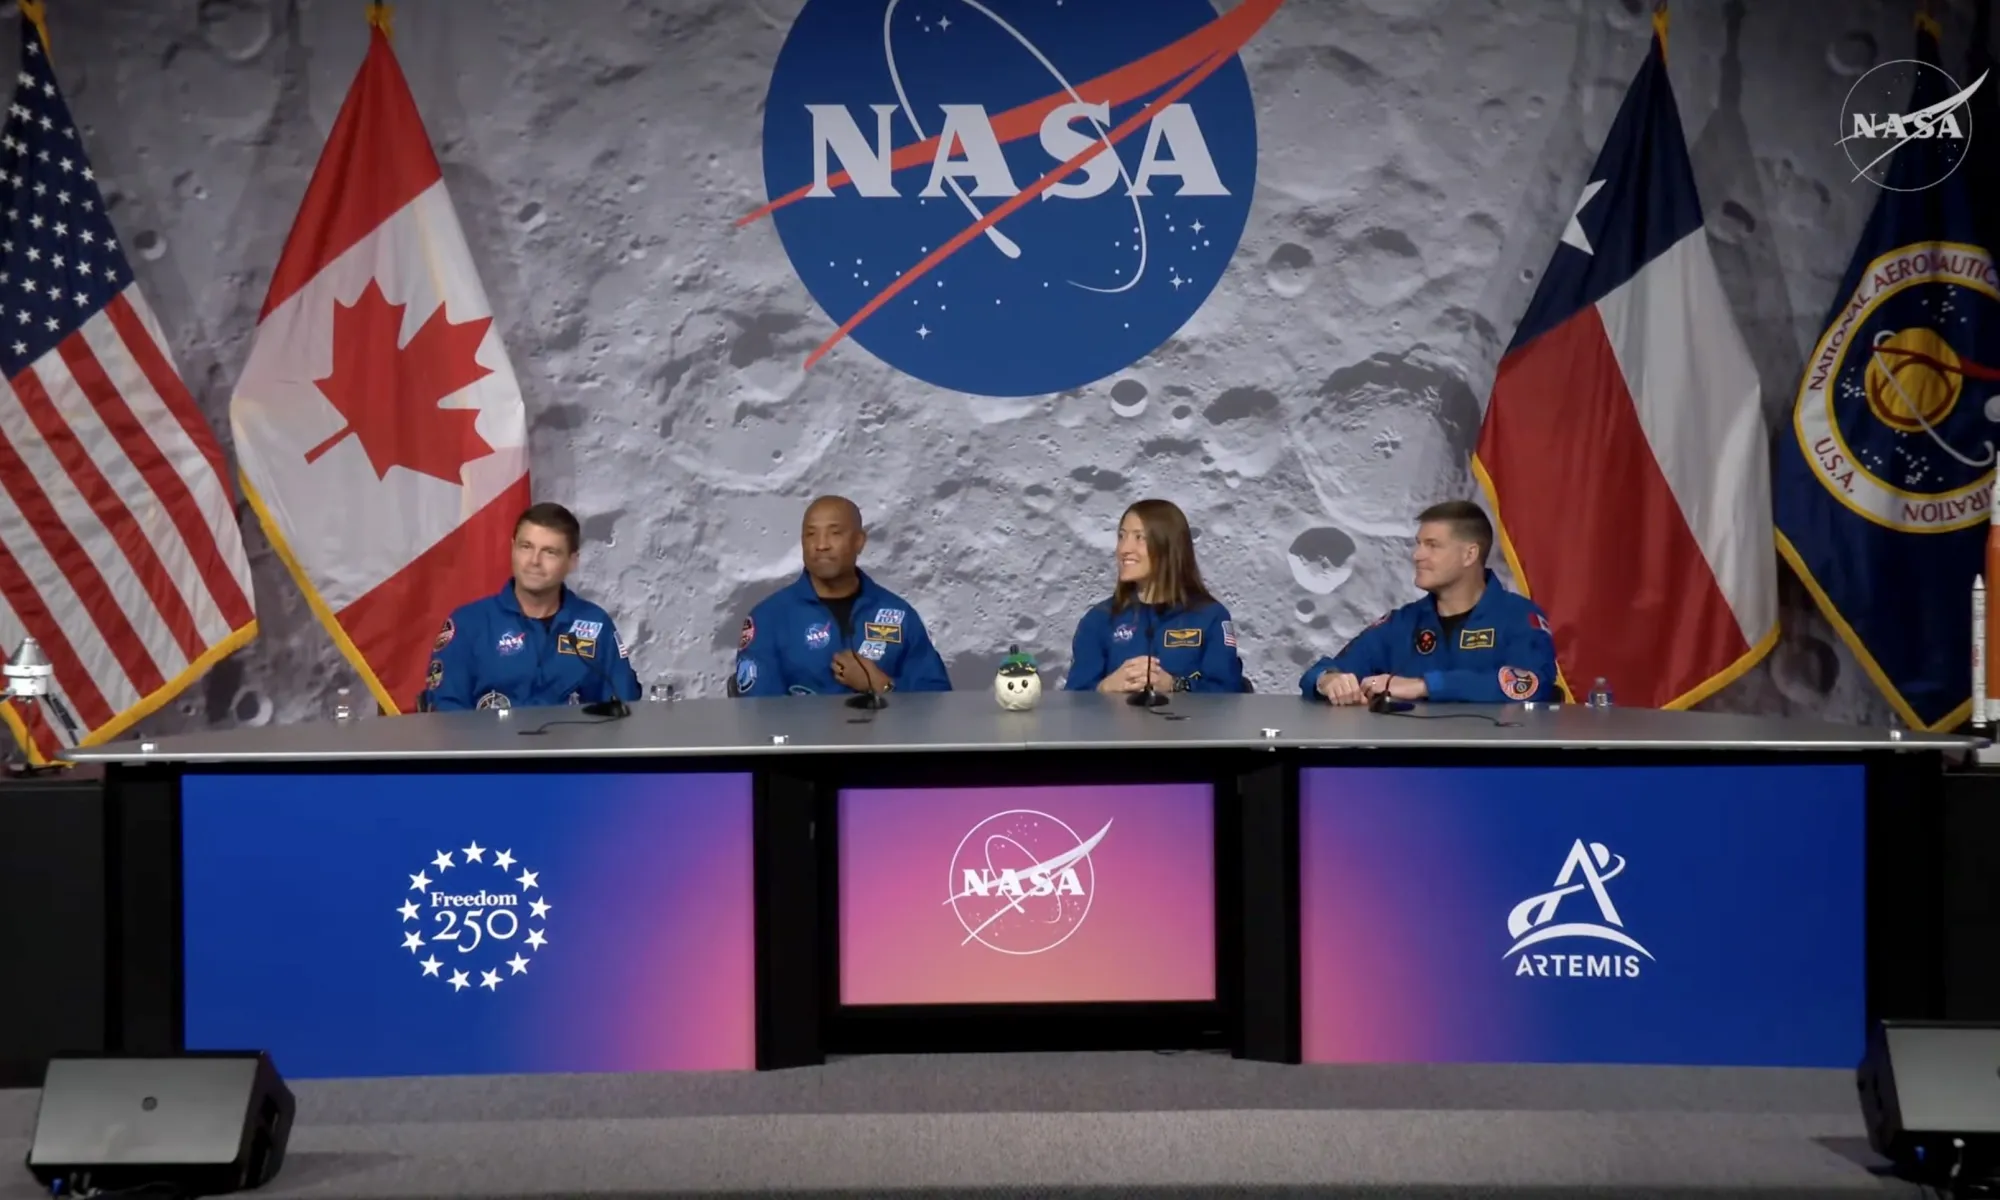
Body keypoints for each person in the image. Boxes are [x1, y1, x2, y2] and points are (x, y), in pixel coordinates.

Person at [1301, 500, 1558, 705]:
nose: (1417, 555)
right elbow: (1324, 670)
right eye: (1418, 544)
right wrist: (1328, 681)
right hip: (1410, 766)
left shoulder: (1519, 618)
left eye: (1432, 545)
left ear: (1470, 554)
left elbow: (1532, 685)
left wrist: (1424, 686)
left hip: (1496, 765)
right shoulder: (1402, 623)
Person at [416, 502, 642, 712]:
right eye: (526, 547)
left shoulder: (595, 624)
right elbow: (445, 718)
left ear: (572, 561)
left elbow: (621, 711)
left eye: (550, 552)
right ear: (513, 548)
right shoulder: (468, 623)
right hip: (489, 753)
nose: (534, 561)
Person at [732, 495, 952, 697]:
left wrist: (878, 684)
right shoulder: (769, 618)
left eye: (835, 533)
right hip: (804, 740)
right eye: (811, 534)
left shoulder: (898, 615)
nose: (821, 545)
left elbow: (937, 703)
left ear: (859, 541)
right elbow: (758, 715)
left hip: (886, 739)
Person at [1065, 498, 1245, 694]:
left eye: (1139, 537)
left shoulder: (1210, 617)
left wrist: (1174, 686)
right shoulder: (1099, 620)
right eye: (1121, 537)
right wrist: (1105, 687)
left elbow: (1229, 695)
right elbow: (1075, 701)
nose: (1124, 549)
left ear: (1167, 546)